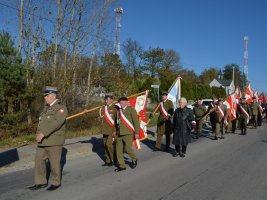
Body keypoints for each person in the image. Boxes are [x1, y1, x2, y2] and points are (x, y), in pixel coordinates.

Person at [29, 86, 68, 191]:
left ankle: (56, 182)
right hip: (43, 140)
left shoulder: (61, 107)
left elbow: (57, 123)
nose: (45, 98)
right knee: (38, 161)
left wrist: (43, 134)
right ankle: (40, 182)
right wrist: (38, 134)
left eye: (47, 95)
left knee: (54, 163)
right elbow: (42, 123)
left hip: (54, 140)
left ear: (53, 95)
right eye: (45, 96)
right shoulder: (46, 108)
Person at [114, 96, 140, 172]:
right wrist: (115, 131)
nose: (121, 104)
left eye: (122, 102)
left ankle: (134, 158)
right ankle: (122, 166)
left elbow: (136, 122)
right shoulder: (118, 111)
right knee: (118, 150)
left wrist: (137, 132)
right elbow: (117, 123)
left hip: (128, 133)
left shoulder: (131, 109)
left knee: (127, 149)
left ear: (126, 102)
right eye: (120, 102)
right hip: (119, 133)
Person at [99, 95, 116, 166]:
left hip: (111, 130)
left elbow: (116, 120)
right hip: (105, 129)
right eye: (105, 100)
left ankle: (113, 159)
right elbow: (100, 116)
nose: (106, 101)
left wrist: (115, 130)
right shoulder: (104, 108)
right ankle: (108, 160)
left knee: (109, 145)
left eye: (107, 100)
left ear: (111, 100)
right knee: (105, 146)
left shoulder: (115, 108)